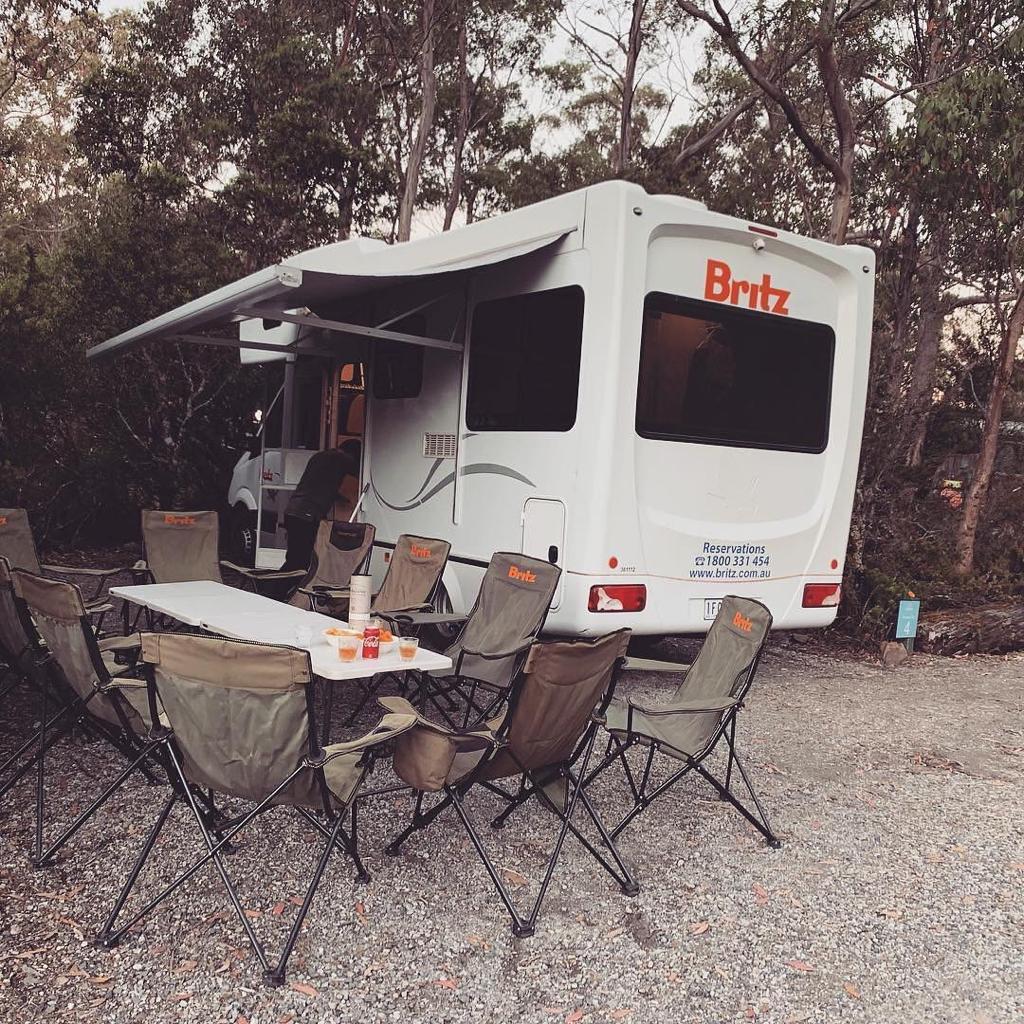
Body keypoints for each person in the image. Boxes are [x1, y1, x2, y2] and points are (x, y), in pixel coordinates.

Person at [282, 439, 361, 571]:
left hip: (294, 510)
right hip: (306, 514)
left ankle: (280, 587)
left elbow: (318, 484)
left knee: (295, 558)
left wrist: (338, 497)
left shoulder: (320, 456)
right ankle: (274, 588)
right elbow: (360, 469)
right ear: (352, 454)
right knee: (300, 561)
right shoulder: (340, 458)